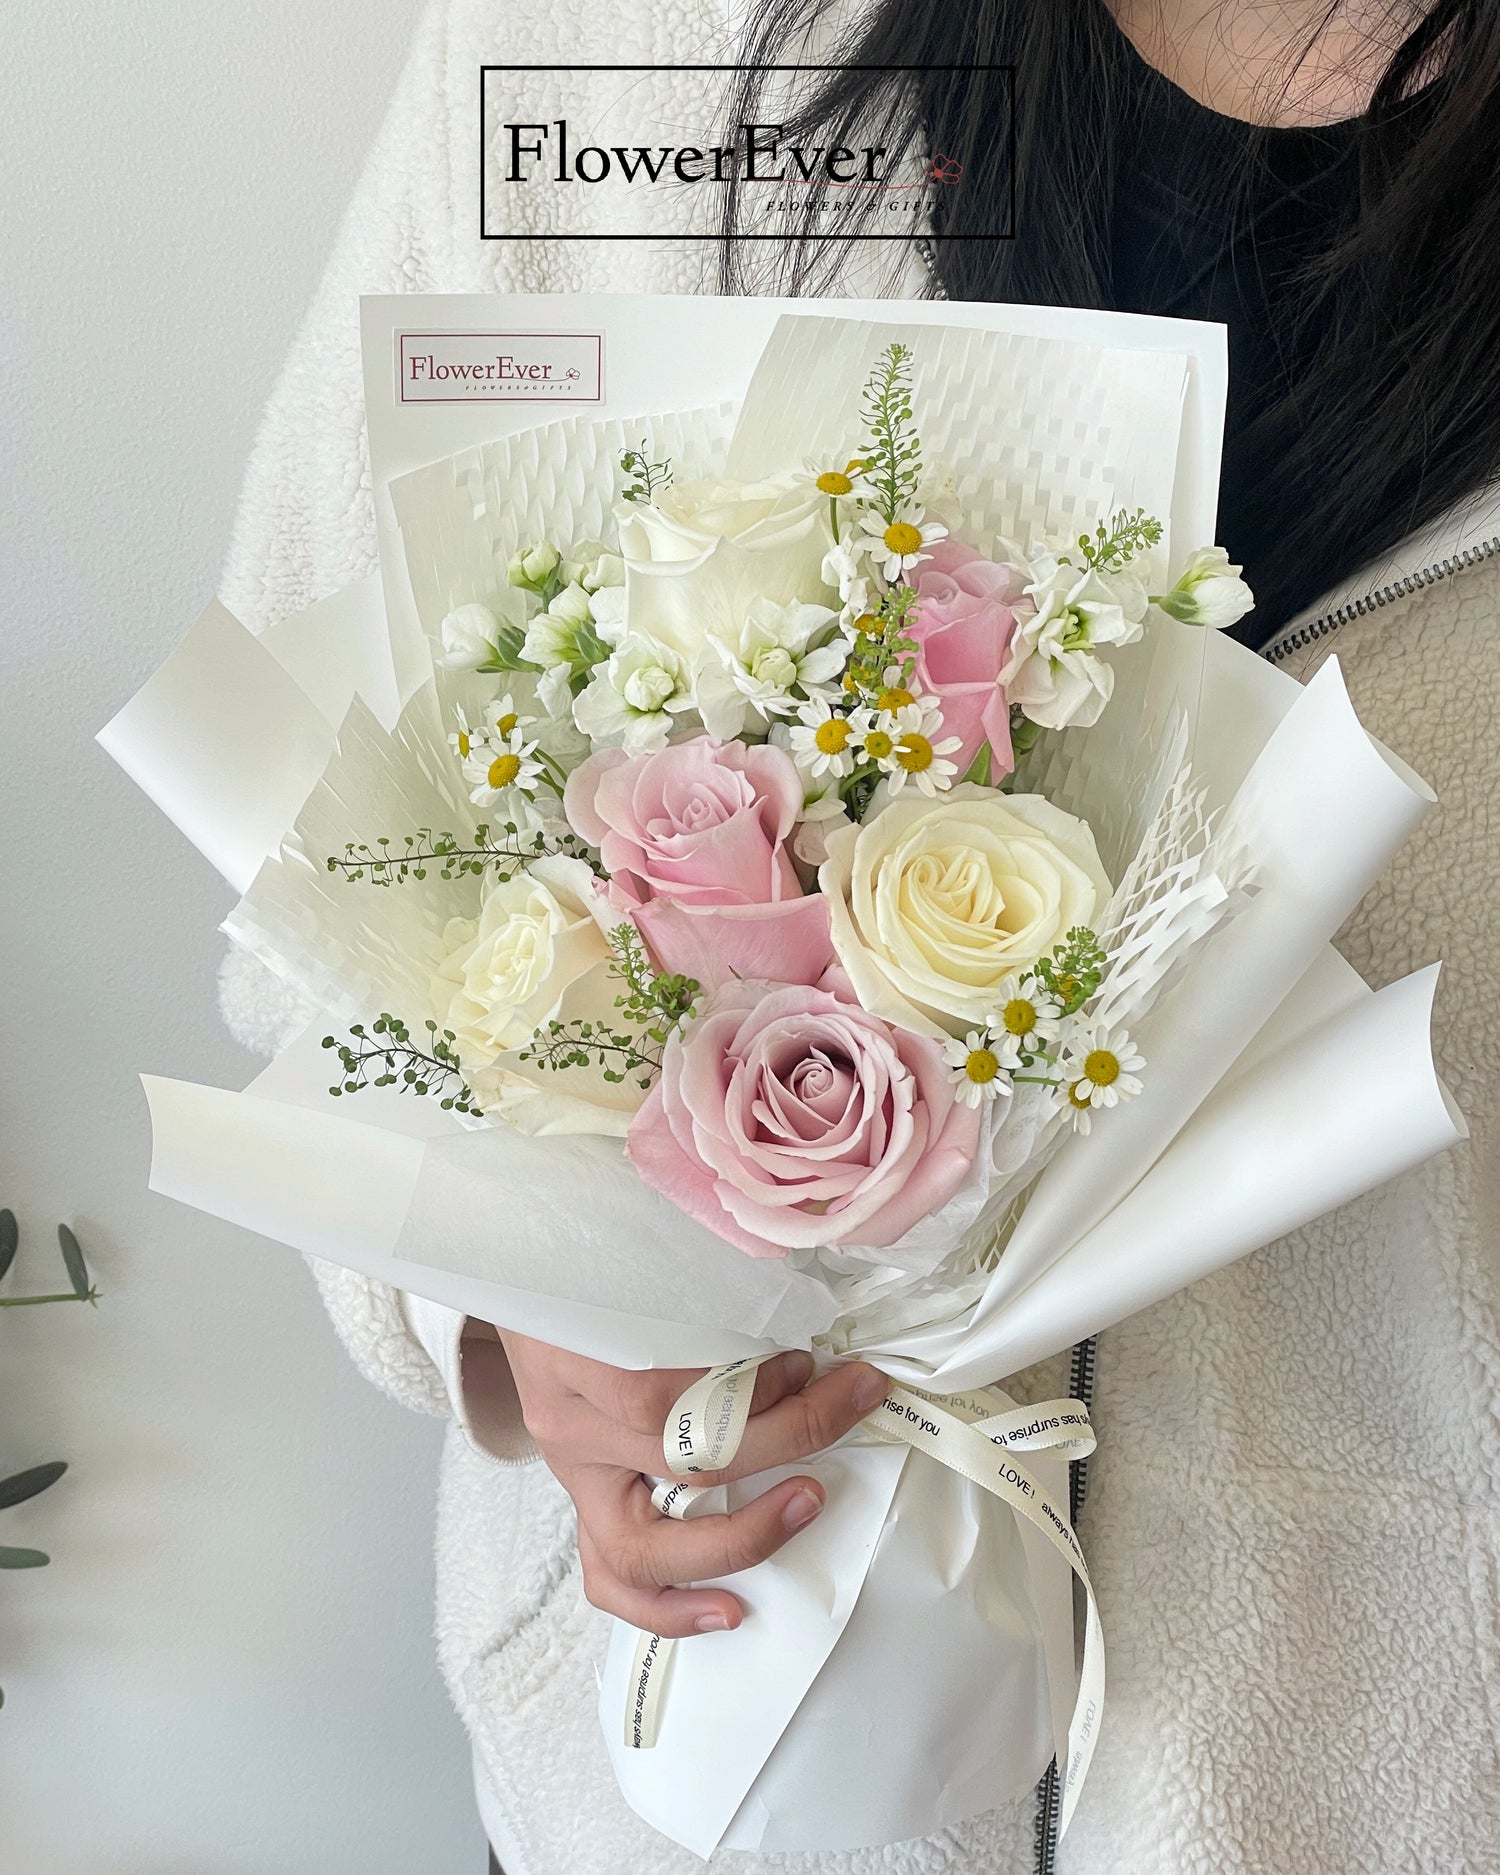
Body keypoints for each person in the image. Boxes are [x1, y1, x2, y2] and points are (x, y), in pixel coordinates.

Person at [218, 2, 1500, 1870]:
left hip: (1387, 1780)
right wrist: (488, 1299)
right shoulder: (601, 36)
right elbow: (300, 778)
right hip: (683, 1775)